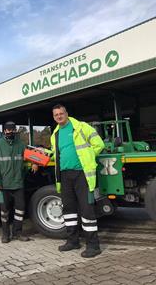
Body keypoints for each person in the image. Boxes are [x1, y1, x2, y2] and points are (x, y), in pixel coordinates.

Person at [50, 104, 105, 258]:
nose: (59, 116)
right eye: (56, 115)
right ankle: (73, 241)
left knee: (87, 210)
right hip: (64, 176)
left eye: (61, 113)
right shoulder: (55, 134)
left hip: (82, 174)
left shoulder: (81, 127)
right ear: (54, 117)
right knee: (68, 210)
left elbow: (99, 144)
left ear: (67, 113)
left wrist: (87, 157)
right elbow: (57, 154)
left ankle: (93, 246)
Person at [0, 121, 38, 243]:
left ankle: (17, 233)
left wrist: (34, 163)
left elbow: (30, 155)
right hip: (3, 185)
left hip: (18, 183)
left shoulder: (21, 144)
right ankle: (5, 234)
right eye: (8, 130)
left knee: (20, 209)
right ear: (4, 131)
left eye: (13, 129)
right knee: (4, 211)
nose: (11, 132)